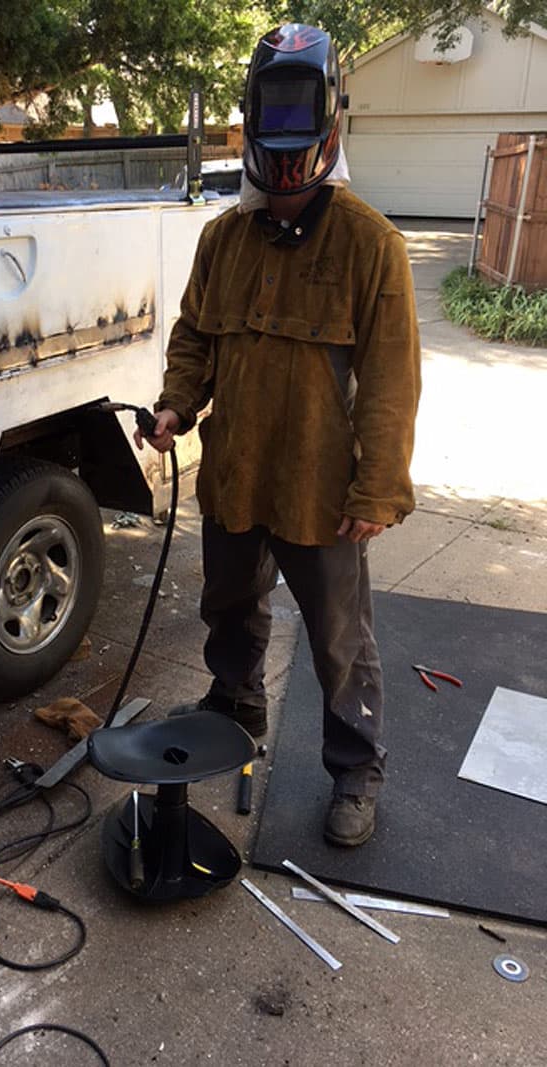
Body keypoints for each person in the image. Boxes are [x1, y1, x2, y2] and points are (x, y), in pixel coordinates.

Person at [135, 23, 421, 847]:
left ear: (330, 128)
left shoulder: (371, 245)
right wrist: (175, 404)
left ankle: (357, 770)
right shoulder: (223, 238)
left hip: (323, 490)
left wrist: (377, 488)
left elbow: (393, 380)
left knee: (340, 642)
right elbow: (194, 336)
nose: (287, 188)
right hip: (236, 471)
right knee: (228, 605)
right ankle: (237, 703)